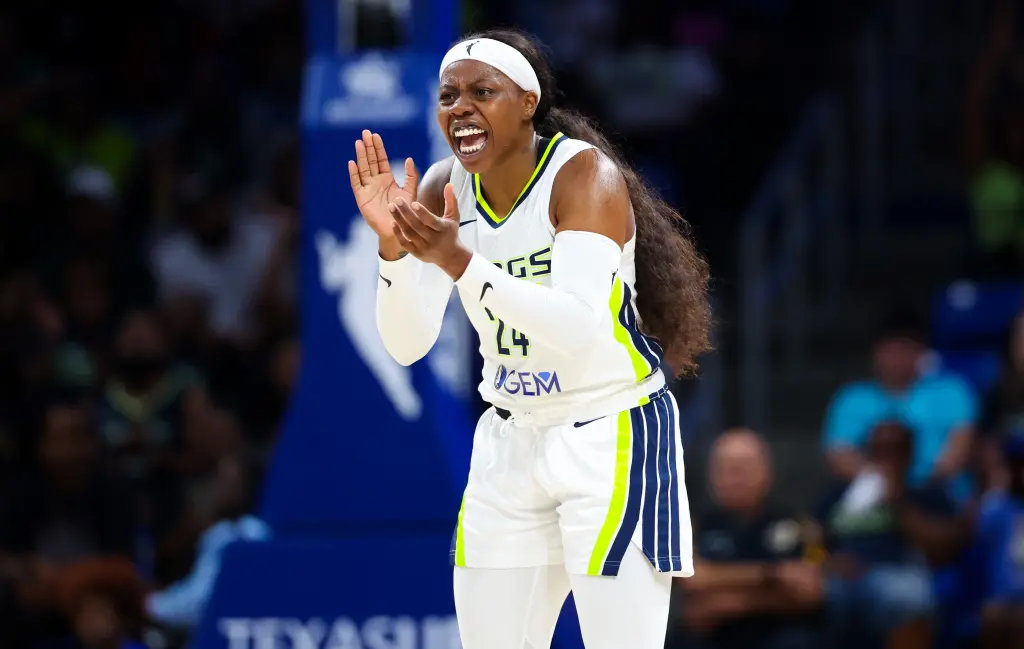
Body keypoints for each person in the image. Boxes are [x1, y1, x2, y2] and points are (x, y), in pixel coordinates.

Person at [352, 28, 711, 649]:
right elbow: (407, 344)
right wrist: (392, 249)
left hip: (610, 434)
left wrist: (459, 261)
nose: (460, 107)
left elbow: (574, 330)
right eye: (448, 95)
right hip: (510, 440)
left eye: (482, 92)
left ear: (526, 104)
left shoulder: (582, 177)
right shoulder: (441, 188)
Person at [815, 422, 969, 649]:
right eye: (877, 451)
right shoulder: (838, 494)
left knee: (909, 596)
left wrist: (899, 503)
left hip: (897, 571)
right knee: (804, 594)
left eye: (893, 451)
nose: (884, 459)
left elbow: (943, 549)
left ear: (909, 454)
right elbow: (808, 539)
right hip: (838, 574)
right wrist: (824, 561)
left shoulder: (927, 493)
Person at [674, 428, 822, 649]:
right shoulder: (691, 526)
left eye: (744, 467)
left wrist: (727, 601)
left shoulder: (797, 524)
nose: (736, 477)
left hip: (779, 633)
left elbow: (810, 590)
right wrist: (772, 575)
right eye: (727, 468)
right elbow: (693, 580)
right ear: (711, 475)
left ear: (767, 471)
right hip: (713, 637)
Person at [823, 312, 977, 499]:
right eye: (889, 350)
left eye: (904, 349)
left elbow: (959, 448)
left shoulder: (951, 391)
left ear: (922, 352)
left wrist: (916, 482)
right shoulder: (852, 398)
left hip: (937, 491)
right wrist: (883, 483)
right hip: (874, 493)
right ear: (875, 353)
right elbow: (840, 454)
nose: (896, 359)